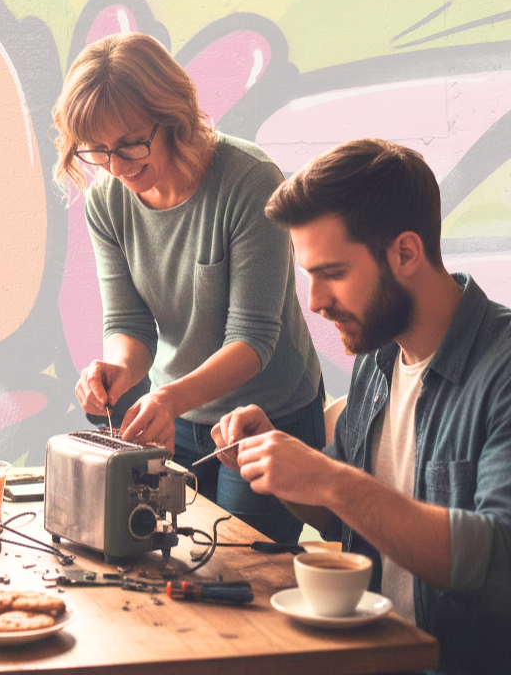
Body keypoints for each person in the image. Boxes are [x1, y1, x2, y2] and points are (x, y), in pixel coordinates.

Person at [212, 138, 510, 674]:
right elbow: (339, 518)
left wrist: (330, 478)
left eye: (333, 273)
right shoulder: (378, 356)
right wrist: (280, 466)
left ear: (405, 253)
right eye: (309, 275)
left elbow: (498, 561)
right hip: (372, 656)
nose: (315, 301)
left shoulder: (503, 369)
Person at [51, 32, 324, 544]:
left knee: (244, 572)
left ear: (173, 114)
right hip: (176, 416)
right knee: (164, 566)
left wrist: (169, 397)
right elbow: (128, 323)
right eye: (98, 151)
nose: (117, 166)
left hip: (269, 414)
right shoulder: (107, 201)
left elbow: (254, 338)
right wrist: (120, 367)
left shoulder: (250, 180)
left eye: (131, 143)